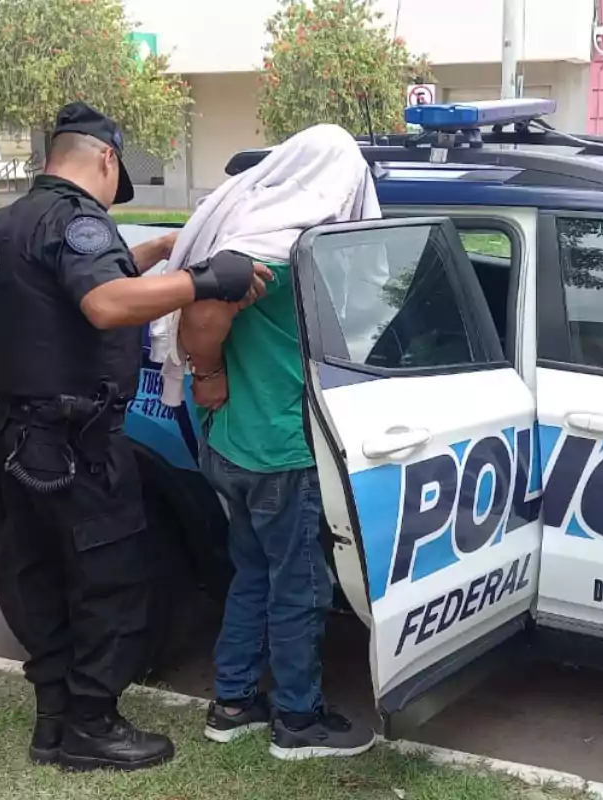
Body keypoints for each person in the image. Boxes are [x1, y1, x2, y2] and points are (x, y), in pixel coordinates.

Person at [0, 101, 271, 772]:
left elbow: (74, 284)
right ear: (106, 158)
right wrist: (202, 278)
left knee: (40, 576)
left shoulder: (8, 223)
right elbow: (104, 303)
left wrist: (160, 251)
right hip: (77, 445)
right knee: (109, 581)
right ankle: (92, 726)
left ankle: (54, 720)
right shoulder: (78, 220)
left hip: (18, 440)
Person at [148, 124, 381, 760]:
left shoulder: (249, 227)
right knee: (299, 586)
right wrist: (211, 370)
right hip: (281, 450)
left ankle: (233, 702)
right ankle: (298, 720)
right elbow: (203, 314)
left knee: (253, 573)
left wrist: (213, 379)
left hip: (233, 444)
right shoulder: (280, 247)